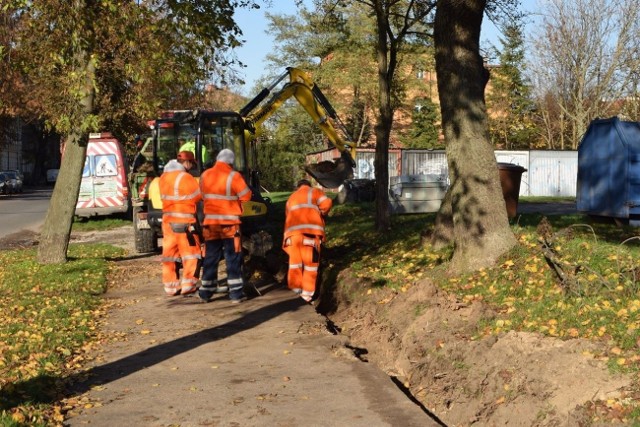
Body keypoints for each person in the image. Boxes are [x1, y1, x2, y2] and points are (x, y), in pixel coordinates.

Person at [198, 149, 252, 303]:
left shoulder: (205, 175)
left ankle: (205, 293)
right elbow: (246, 196)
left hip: (210, 224)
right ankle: (235, 294)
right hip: (230, 224)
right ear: (231, 162)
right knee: (232, 258)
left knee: (210, 257)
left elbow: (201, 196)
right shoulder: (234, 176)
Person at [159, 151, 203, 296]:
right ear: (187, 163)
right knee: (191, 253)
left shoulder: (163, 177)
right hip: (185, 222)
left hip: (167, 220)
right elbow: (198, 196)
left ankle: (170, 287)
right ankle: (188, 284)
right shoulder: (186, 177)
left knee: (170, 254)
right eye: (192, 164)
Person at [283, 179, 332, 303]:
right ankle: (306, 296)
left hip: (292, 237)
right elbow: (326, 204)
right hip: (310, 235)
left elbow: (287, 216)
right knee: (310, 266)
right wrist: (321, 213)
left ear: (298, 187)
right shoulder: (315, 192)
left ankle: (295, 291)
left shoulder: (291, 198)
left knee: (295, 264)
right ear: (308, 185)